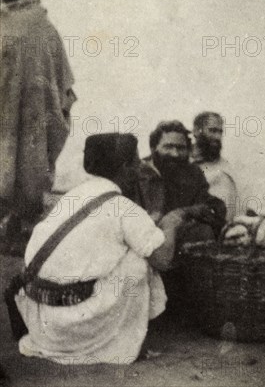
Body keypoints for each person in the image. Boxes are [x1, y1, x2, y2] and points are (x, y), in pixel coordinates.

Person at [13, 133, 197, 364]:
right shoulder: (123, 207)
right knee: (139, 259)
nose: (140, 168)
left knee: (127, 248)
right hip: (73, 330)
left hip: (41, 322)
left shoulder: (74, 195)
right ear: (124, 167)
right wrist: (172, 220)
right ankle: (124, 340)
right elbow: (162, 259)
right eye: (136, 162)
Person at [0, 0, 77, 250]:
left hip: (32, 117)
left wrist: (62, 104)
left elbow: (59, 74)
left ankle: (20, 229)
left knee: (28, 169)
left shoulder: (41, 25)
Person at [134, 120, 226, 317]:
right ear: (153, 147)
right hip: (144, 241)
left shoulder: (192, 173)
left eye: (181, 148)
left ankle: (187, 306)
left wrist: (180, 214)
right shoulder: (138, 174)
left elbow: (209, 206)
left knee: (203, 232)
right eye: (168, 146)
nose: (175, 154)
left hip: (177, 241)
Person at [191, 112, 239, 221]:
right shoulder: (182, 160)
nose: (217, 137)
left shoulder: (225, 169)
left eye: (220, 132)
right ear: (196, 131)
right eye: (212, 131)